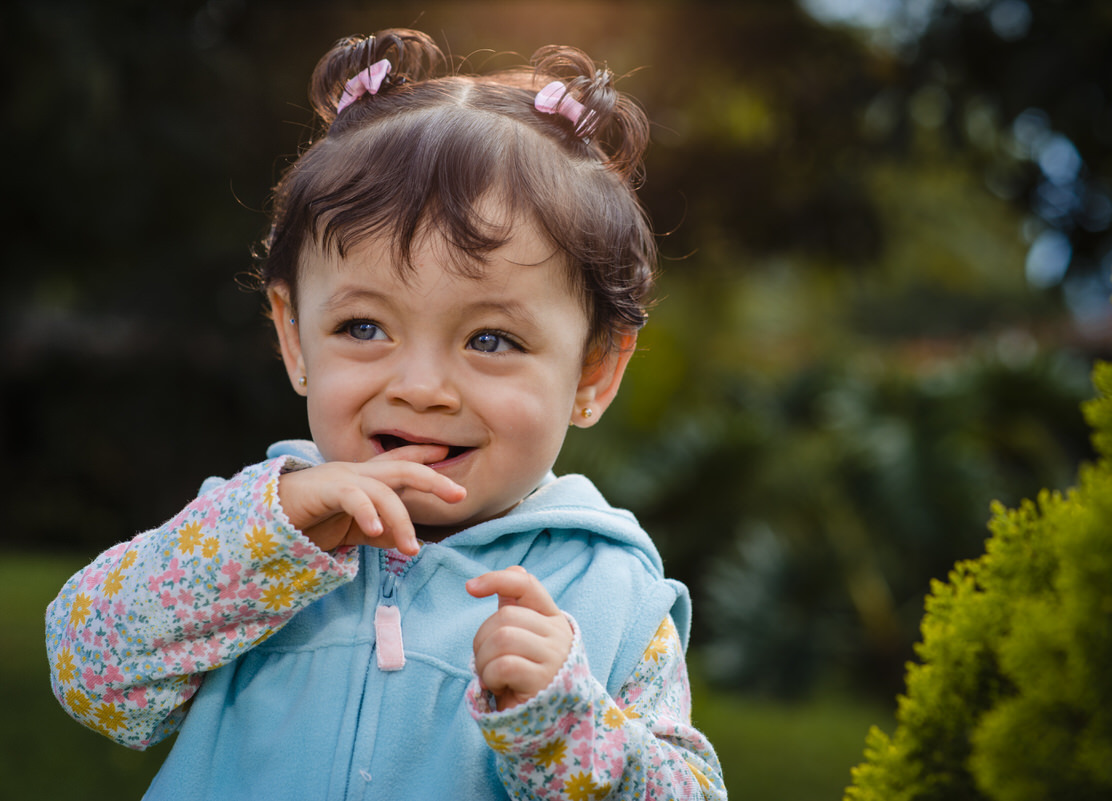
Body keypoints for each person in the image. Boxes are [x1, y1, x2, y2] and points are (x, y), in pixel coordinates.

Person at [45, 28, 726, 800]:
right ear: (294, 336)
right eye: (364, 327)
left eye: (491, 339)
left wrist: (565, 724)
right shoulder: (245, 531)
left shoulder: (610, 592)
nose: (422, 387)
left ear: (594, 370)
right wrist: (272, 536)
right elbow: (90, 676)